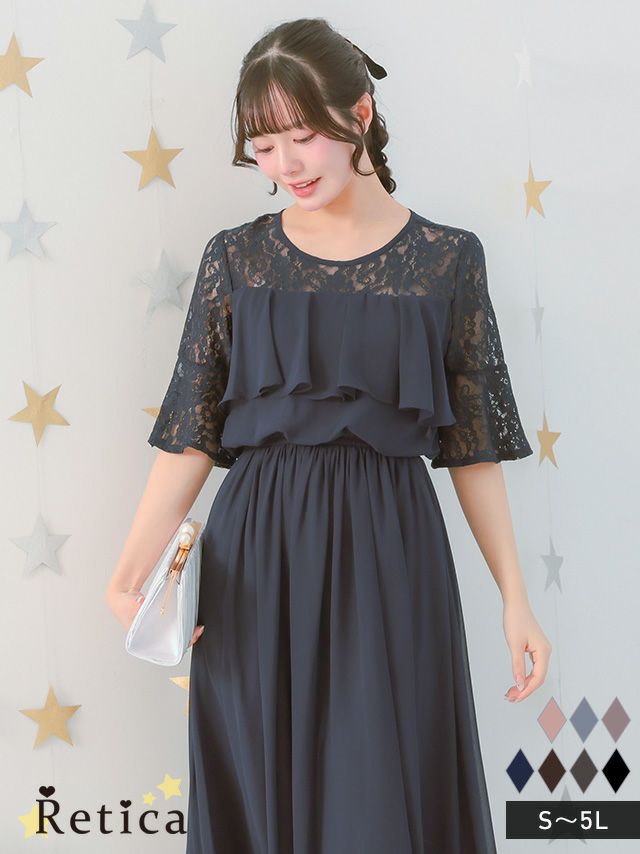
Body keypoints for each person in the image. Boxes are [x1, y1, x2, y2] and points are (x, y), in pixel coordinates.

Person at [105, 16, 552, 853]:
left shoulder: (448, 260)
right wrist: (129, 577)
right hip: (256, 556)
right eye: (263, 146)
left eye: (302, 136)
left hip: (393, 551)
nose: (285, 165)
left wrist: (515, 598)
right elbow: (192, 434)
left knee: (383, 789)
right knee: (260, 787)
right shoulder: (236, 259)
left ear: (361, 113)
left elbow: (473, 449)